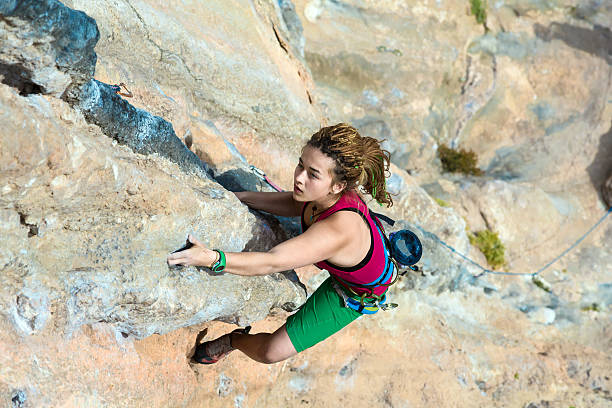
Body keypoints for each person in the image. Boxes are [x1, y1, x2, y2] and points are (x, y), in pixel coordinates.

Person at [167, 123, 394, 364]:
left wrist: (211, 258)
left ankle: (233, 341)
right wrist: (237, 198)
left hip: (355, 292)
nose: (299, 177)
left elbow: (272, 261)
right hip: (351, 261)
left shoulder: (337, 230)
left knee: (271, 352)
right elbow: (296, 204)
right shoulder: (322, 194)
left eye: (312, 174)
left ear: (338, 186)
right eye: (300, 165)